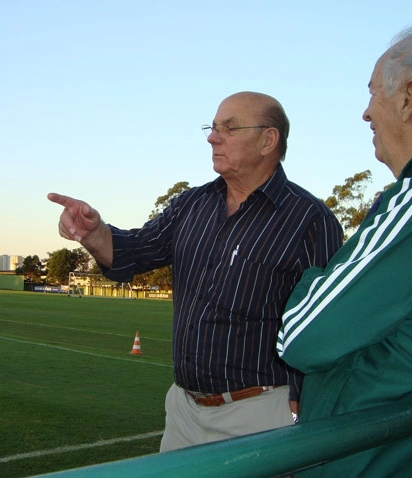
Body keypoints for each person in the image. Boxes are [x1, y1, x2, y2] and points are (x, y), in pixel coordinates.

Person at [49, 91, 343, 452]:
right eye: (213, 127)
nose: (212, 137)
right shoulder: (192, 203)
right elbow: (135, 251)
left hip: (261, 413)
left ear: (268, 140)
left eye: (229, 128)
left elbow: (327, 324)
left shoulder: (310, 220)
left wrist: (301, 402)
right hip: (184, 412)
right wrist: (94, 233)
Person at [277, 22, 412, 477]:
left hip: (374, 462)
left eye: (373, 94)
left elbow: (300, 336)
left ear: (409, 96)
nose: (366, 114)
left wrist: (312, 281)